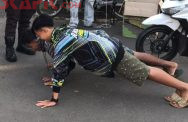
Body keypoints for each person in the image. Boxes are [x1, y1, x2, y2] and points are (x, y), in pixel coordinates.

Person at [27, 14, 188, 109]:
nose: (39, 39)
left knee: (146, 72)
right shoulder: (62, 29)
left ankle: (184, 88)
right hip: (108, 43)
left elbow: (61, 69)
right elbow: (65, 62)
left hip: (109, 54)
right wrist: (55, 70)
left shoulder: (61, 42)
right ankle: (172, 71)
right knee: (137, 56)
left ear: (44, 30)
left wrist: (54, 99)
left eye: (38, 35)